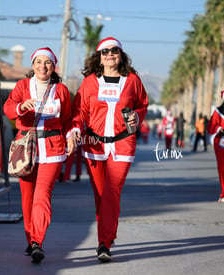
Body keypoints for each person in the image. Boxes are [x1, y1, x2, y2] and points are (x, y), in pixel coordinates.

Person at [70, 37, 148, 262]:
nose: (110, 54)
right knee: (100, 195)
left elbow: (143, 104)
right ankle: (108, 233)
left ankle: (103, 243)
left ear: (121, 55)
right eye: (105, 52)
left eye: (114, 50)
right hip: (94, 144)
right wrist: (75, 129)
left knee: (112, 192)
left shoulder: (133, 80)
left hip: (123, 143)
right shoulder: (89, 83)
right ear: (99, 57)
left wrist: (137, 115)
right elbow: (79, 111)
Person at [3, 47, 75, 263]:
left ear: (54, 67)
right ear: (32, 65)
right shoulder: (22, 86)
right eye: (39, 62)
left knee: (42, 194)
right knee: (27, 198)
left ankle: (37, 242)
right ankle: (30, 238)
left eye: (48, 63)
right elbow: (8, 108)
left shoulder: (61, 90)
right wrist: (21, 106)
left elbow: (69, 118)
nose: (43, 66)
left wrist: (71, 135)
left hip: (52, 147)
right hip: (26, 147)